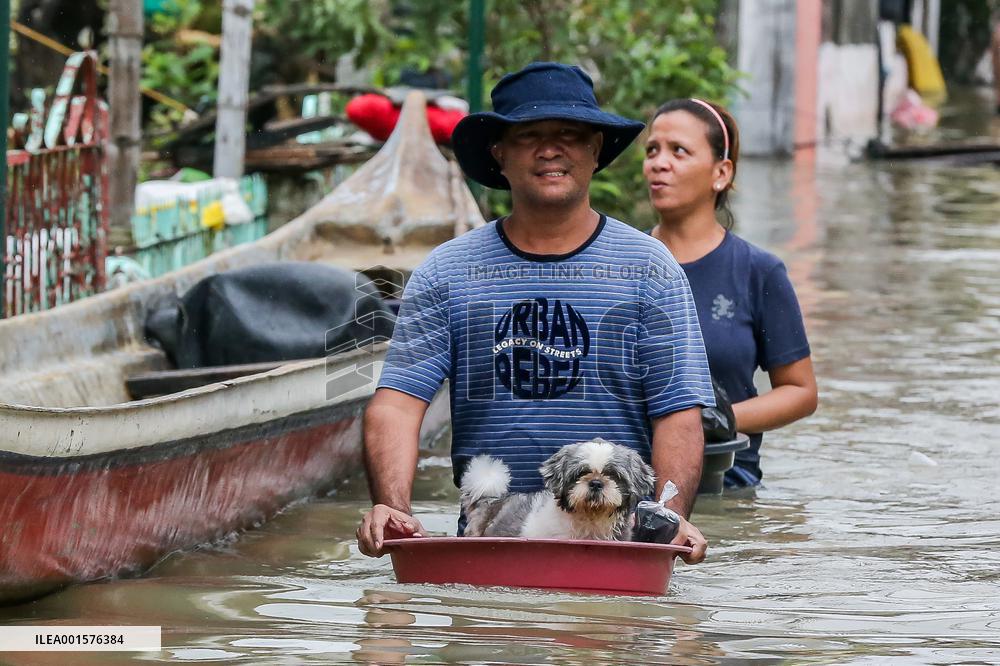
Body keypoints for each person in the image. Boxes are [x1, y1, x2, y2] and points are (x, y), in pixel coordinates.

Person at [356, 62, 716, 563]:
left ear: (595, 151)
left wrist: (666, 519)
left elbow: (678, 414)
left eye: (569, 134)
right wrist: (390, 508)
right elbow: (395, 406)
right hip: (488, 546)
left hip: (616, 553)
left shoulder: (650, 269)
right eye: (529, 135)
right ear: (499, 155)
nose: (551, 148)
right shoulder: (447, 271)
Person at [642, 99, 818, 487]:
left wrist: (722, 420)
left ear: (721, 173)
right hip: (630, 492)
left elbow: (801, 391)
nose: (658, 162)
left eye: (679, 151)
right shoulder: (623, 264)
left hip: (725, 486)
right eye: (652, 150)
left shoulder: (759, 272)